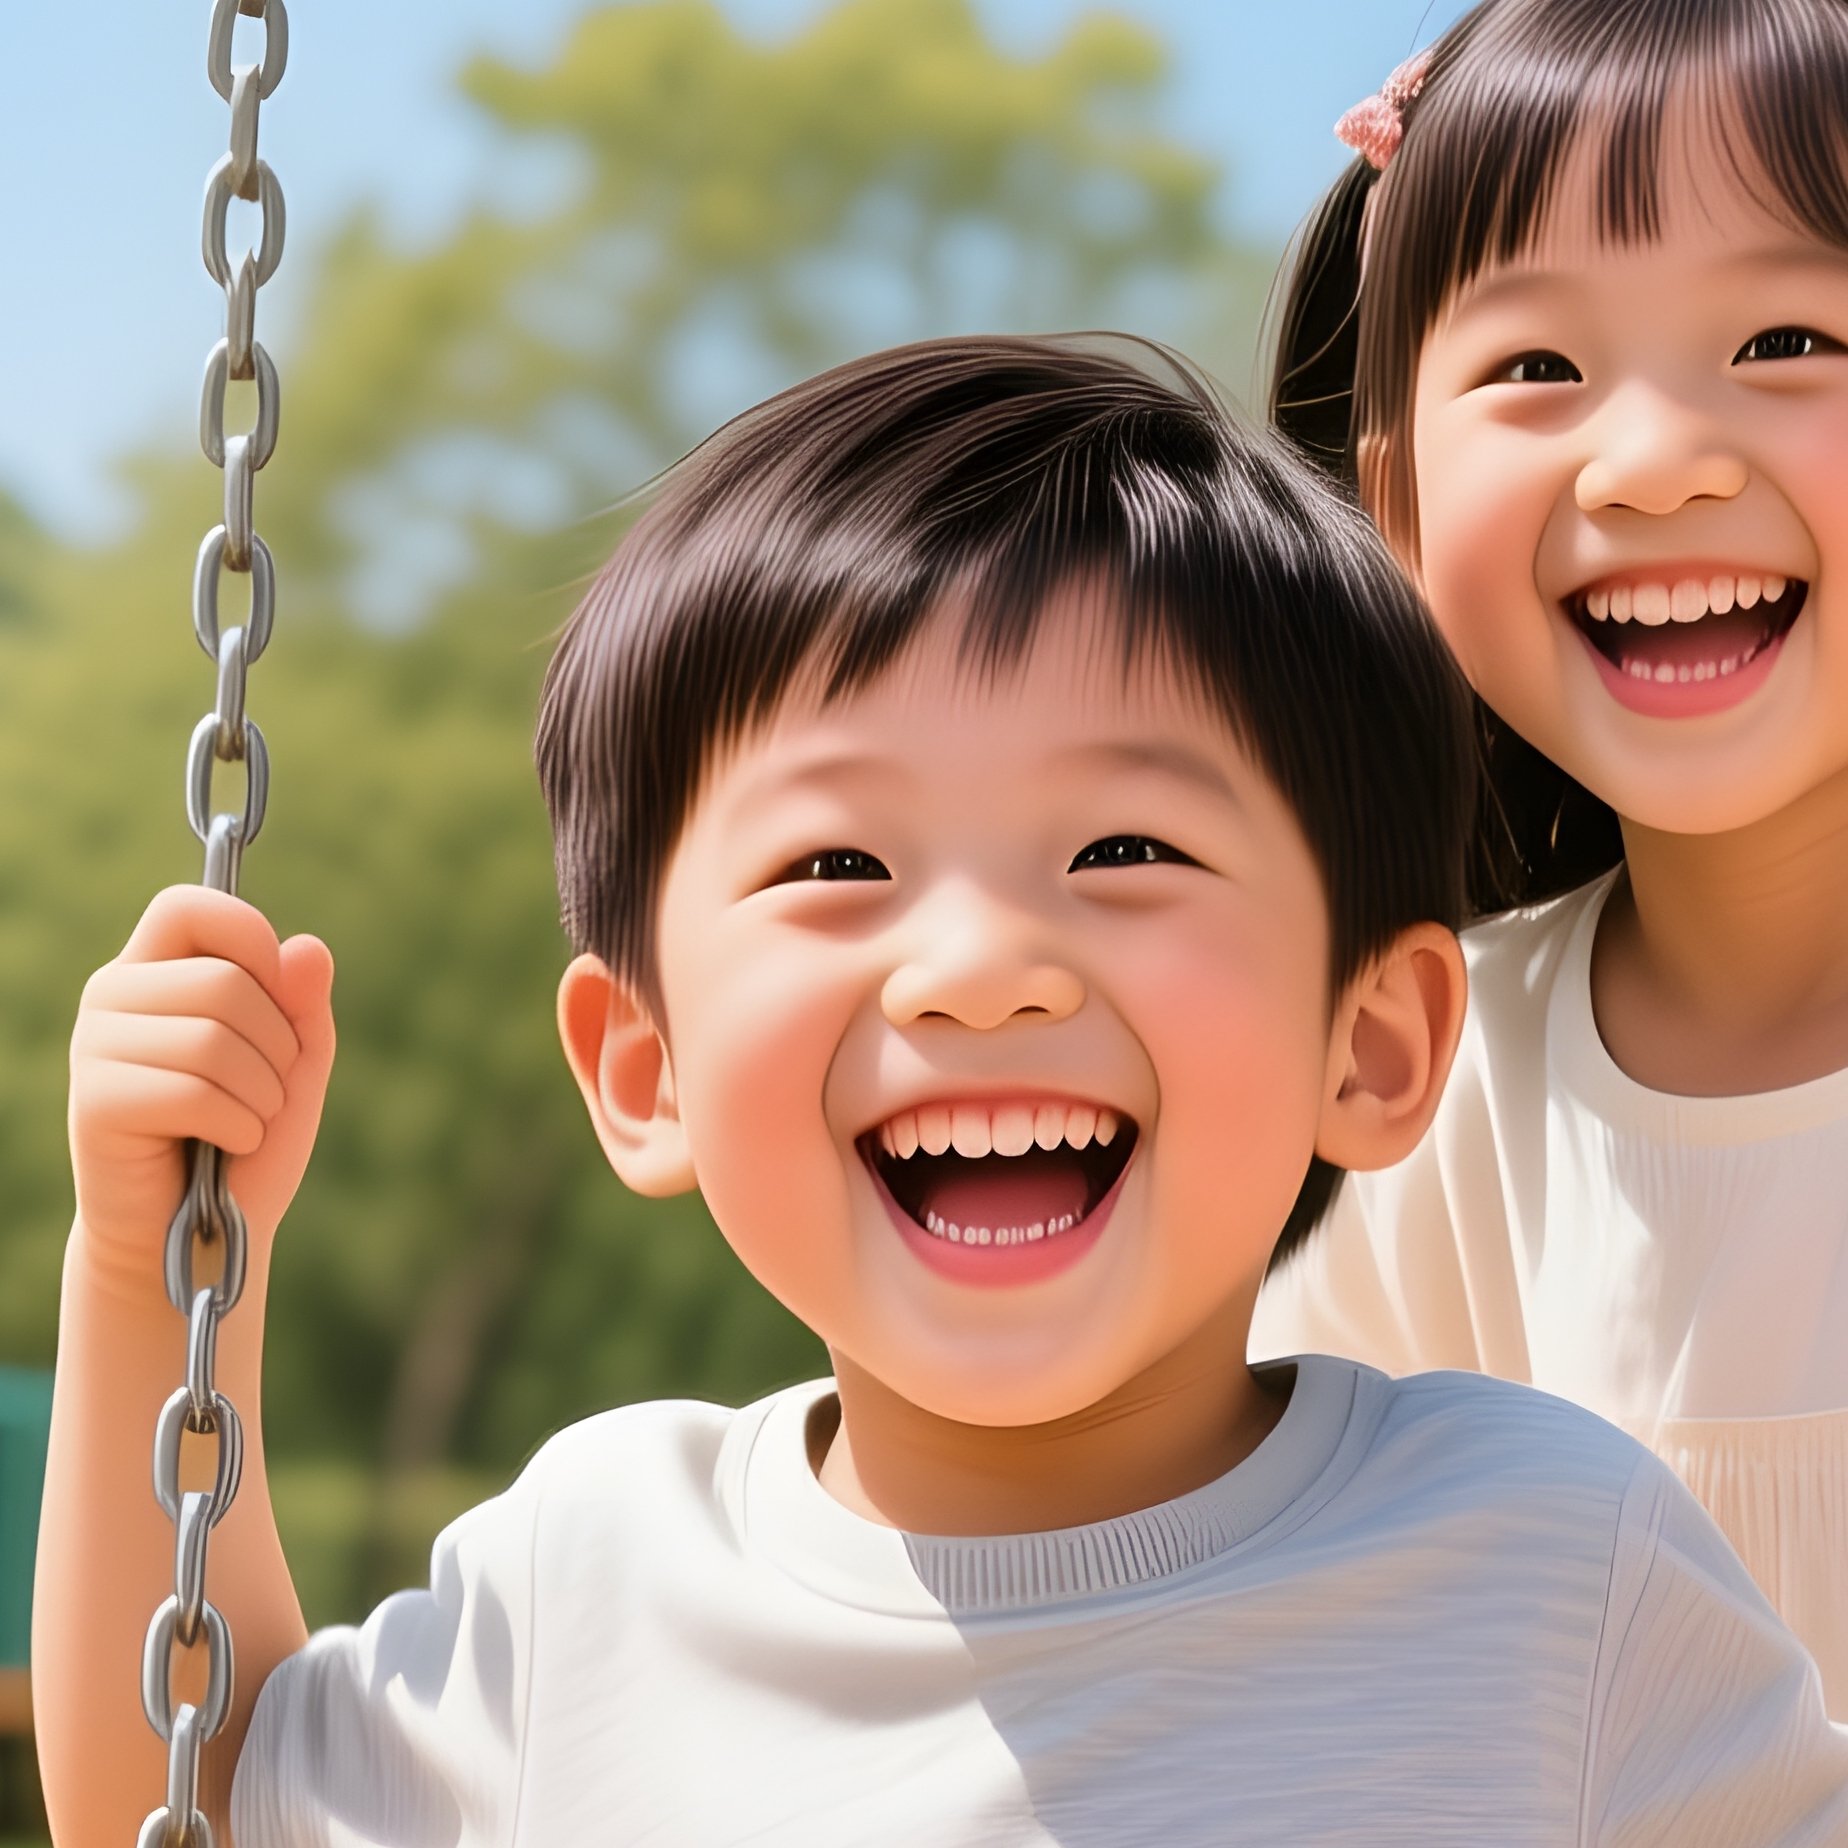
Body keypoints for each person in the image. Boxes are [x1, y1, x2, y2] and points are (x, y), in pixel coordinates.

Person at [38, 335, 1848, 1846]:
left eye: (1125, 847)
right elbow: (192, 1798)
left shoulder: (1544, 1572)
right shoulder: (593, 1577)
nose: (981, 969)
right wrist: (149, 1279)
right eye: (837, 867)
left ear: (1369, 1046)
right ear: (644, 1071)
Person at [1254, 0, 1848, 1721]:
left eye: (1791, 340)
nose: (1656, 465)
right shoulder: (1410, 1094)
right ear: (1397, 506)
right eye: (1536, 368)